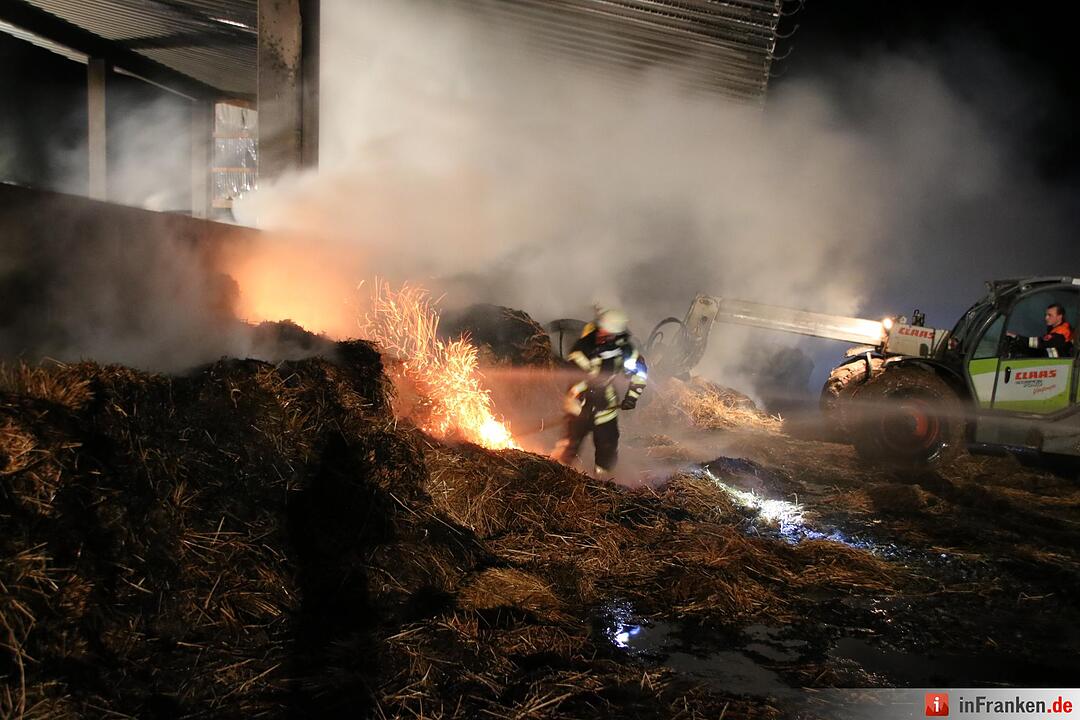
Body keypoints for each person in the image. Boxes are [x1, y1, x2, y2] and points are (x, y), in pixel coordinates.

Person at [552, 307, 648, 478]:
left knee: (607, 449)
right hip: (579, 406)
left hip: (606, 407)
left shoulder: (625, 350)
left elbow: (640, 373)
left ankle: (603, 482)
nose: (602, 333)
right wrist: (581, 395)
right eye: (602, 329)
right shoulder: (584, 346)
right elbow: (573, 373)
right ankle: (557, 477)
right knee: (569, 446)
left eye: (608, 332)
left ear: (616, 334)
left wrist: (632, 397)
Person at [1006, 303, 1074, 358]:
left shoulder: (1062, 331)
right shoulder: (1054, 328)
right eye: (1046, 315)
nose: (1046, 318)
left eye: (1050, 315)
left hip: (1057, 365)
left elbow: (1041, 343)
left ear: (1059, 317)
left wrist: (1017, 338)